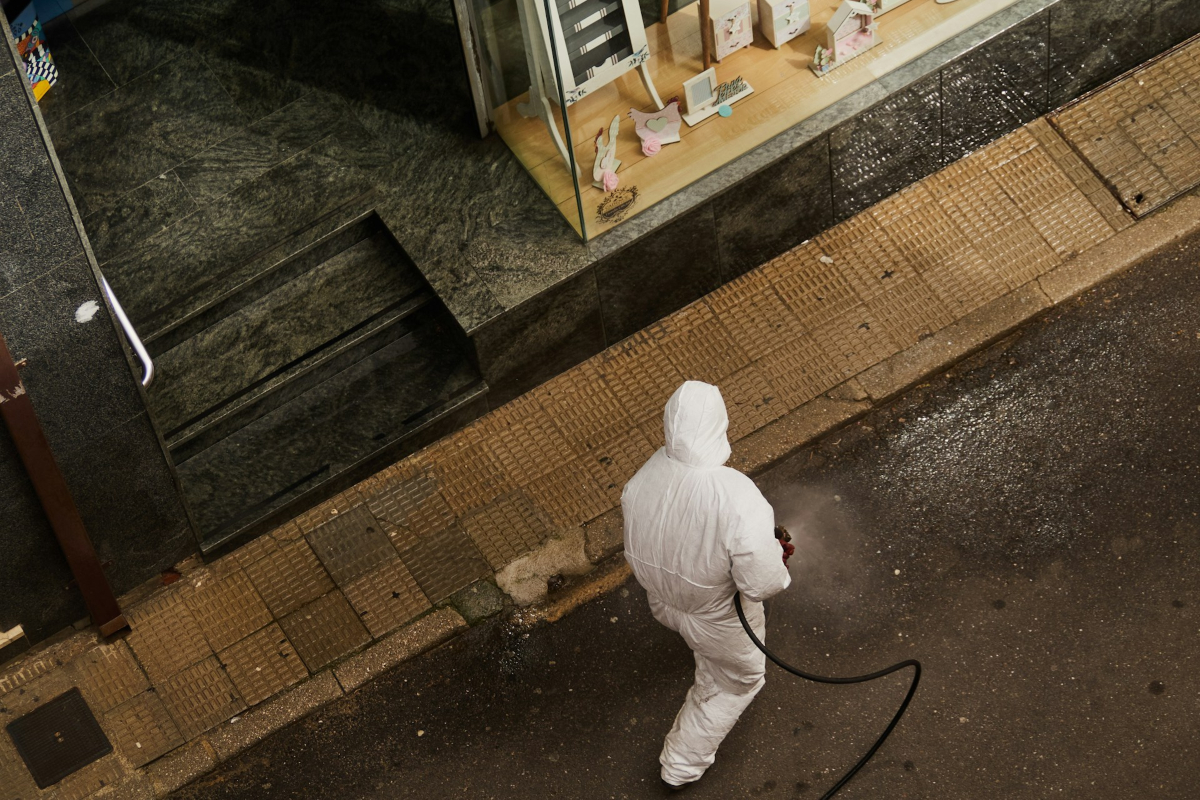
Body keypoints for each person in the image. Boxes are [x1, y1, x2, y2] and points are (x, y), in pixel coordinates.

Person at [622, 381, 793, 791]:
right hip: (715, 618)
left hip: (664, 604)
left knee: (705, 648)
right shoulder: (735, 495)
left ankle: (706, 657)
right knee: (739, 679)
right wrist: (772, 557)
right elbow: (762, 584)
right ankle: (680, 764)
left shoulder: (645, 475)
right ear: (721, 426)